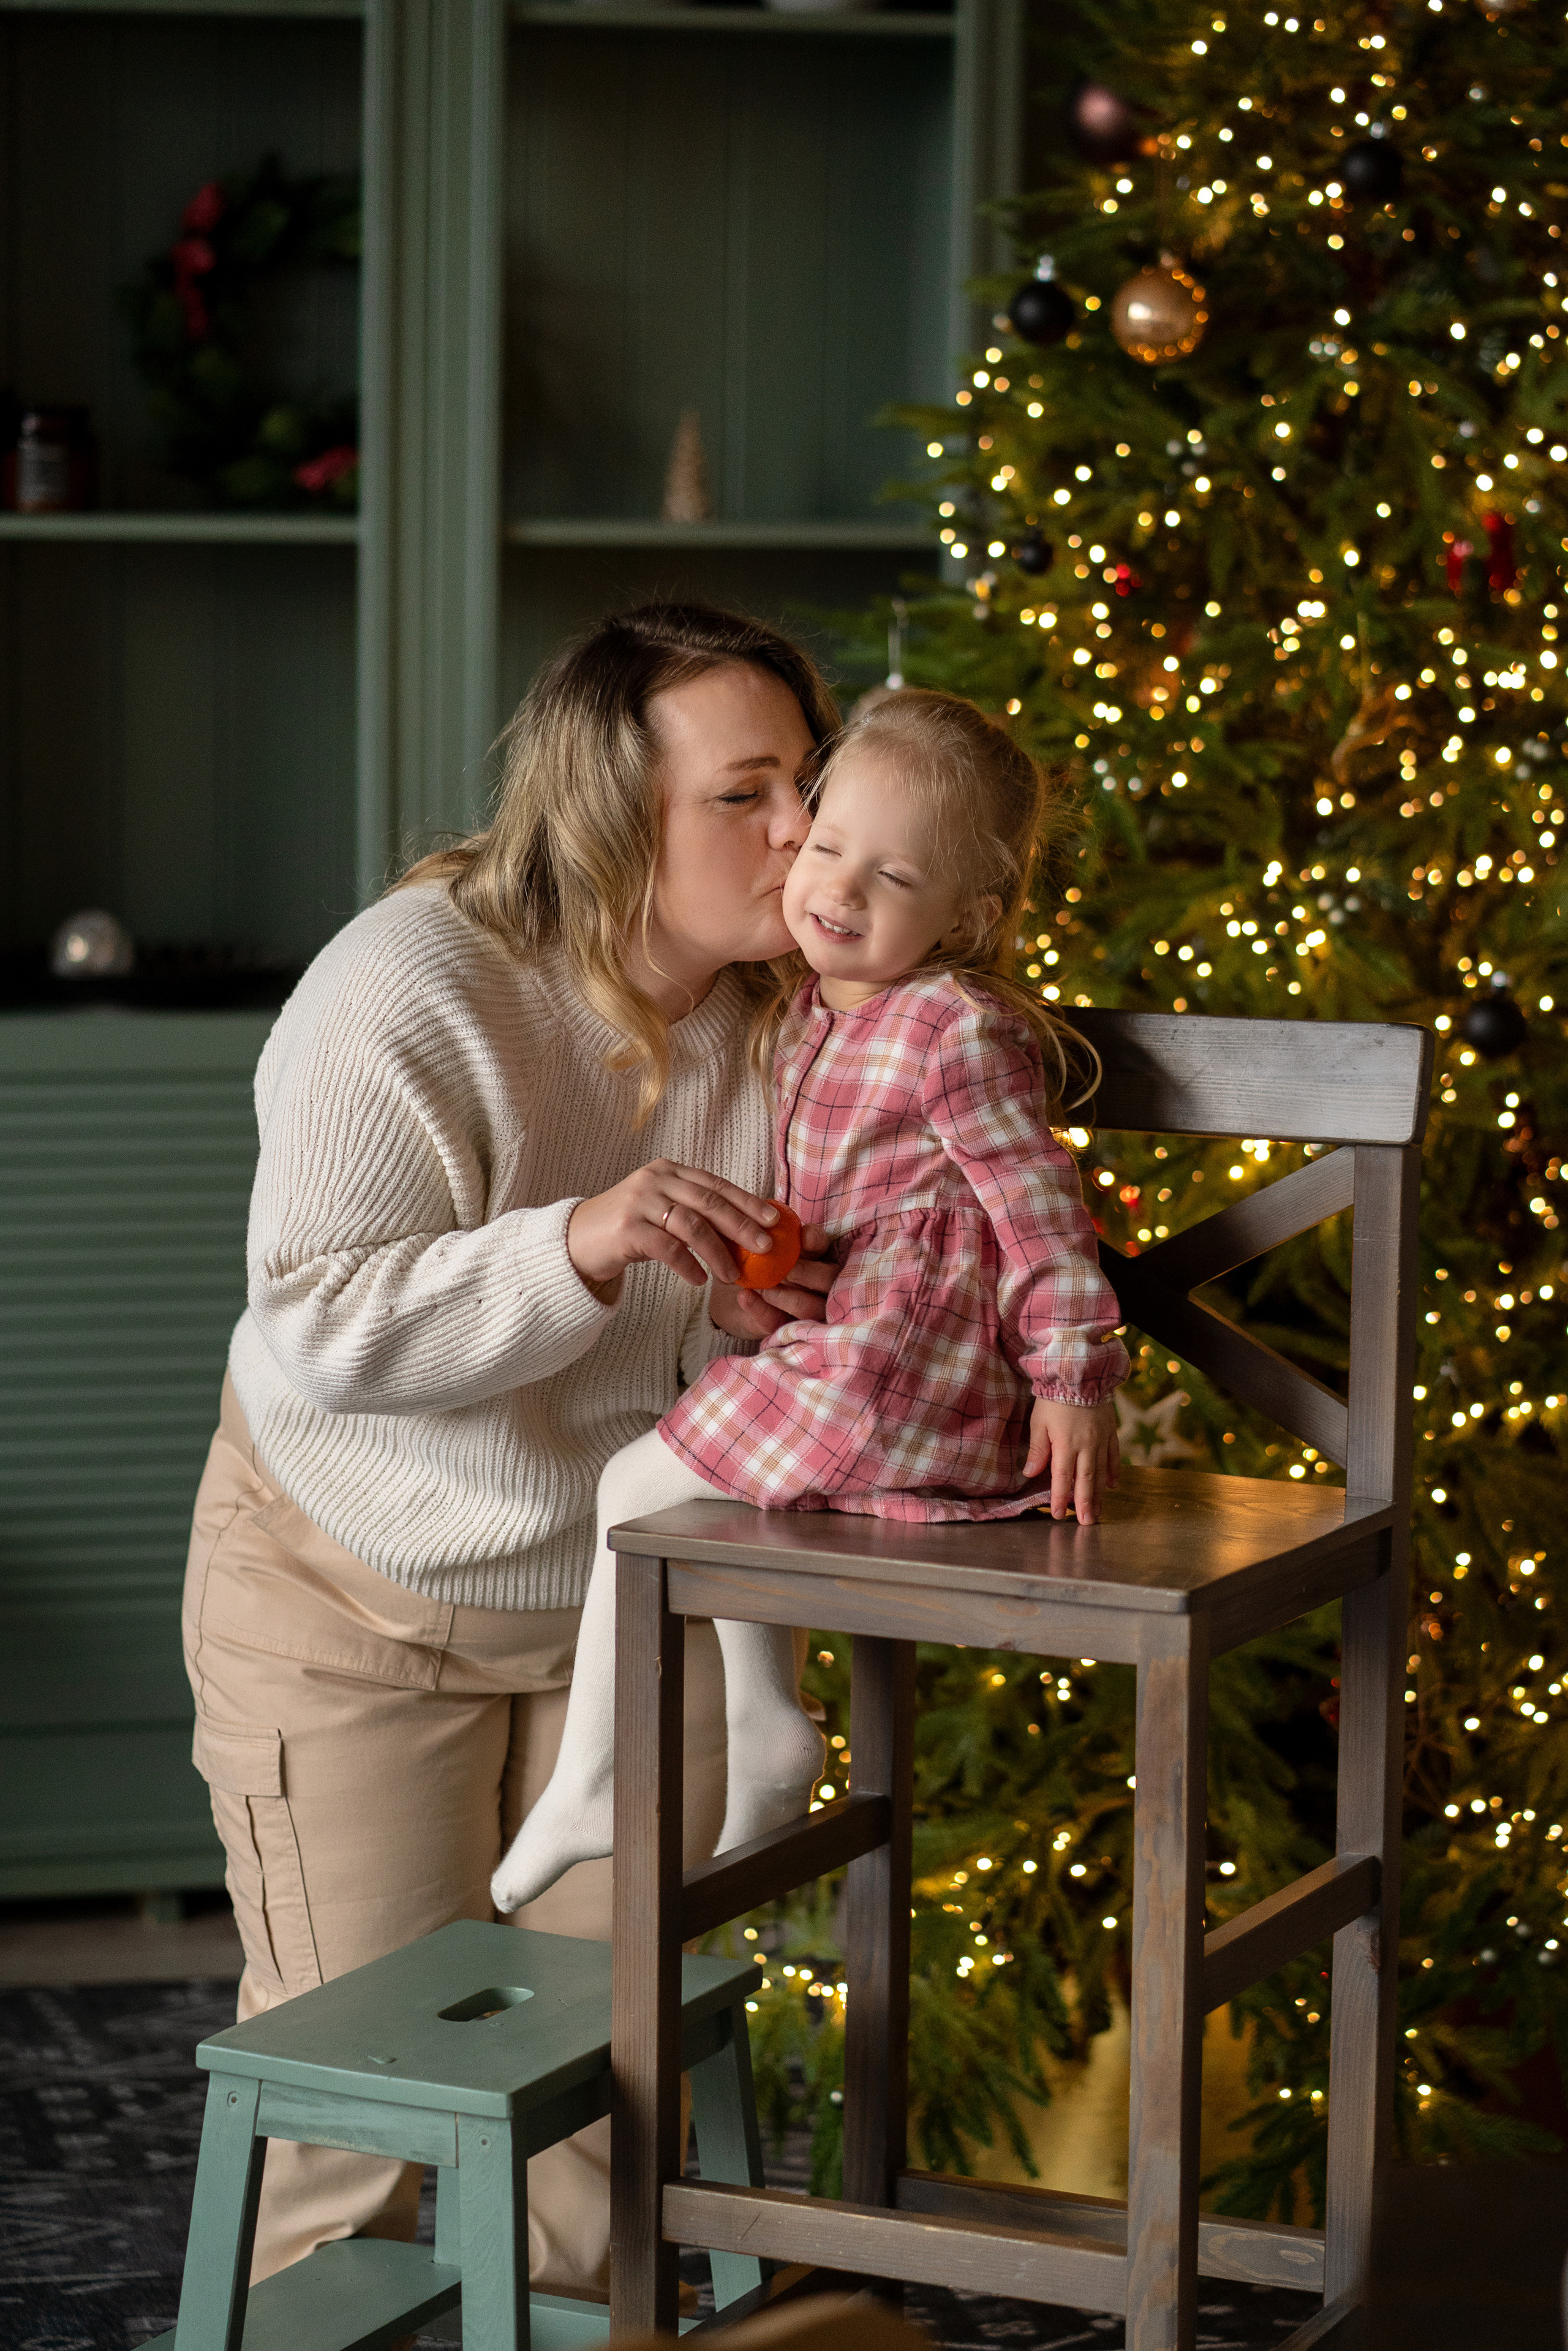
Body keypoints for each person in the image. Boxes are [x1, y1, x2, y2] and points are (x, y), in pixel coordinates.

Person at [182, 603, 839, 2294]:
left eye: (809, 783)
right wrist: (581, 1241)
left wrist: (753, 1319)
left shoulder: (801, 1011)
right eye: (745, 794)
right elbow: (319, 1322)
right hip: (353, 1592)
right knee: (355, 2096)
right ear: (612, 813)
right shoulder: (410, 983)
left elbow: (788, 1320)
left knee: (602, 2094)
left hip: (624, 1603)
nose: (800, 831)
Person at [493, 687, 1129, 1915]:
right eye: (828, 847)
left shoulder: (952, 1028)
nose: (838, 888)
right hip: (849, 1350)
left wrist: (1072, 1376)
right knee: (704, 1484)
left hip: (905, 1375)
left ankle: (591, 1778)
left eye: (894, 875)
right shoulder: (805, 1008)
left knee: (633, 1484)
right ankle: (771, 1728)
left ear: (967, 915)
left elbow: (1039, 1205)